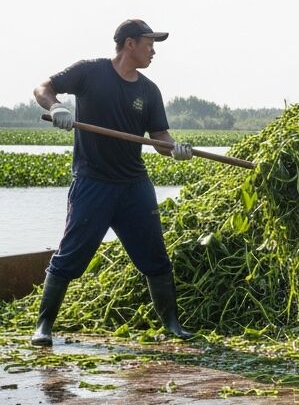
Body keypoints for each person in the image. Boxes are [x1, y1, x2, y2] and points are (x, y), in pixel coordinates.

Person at [29, 19, 196, 346]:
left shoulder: (148, 90)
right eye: (149, 44)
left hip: (134, 186)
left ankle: (172, 324)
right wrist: (58, 106)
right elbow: (43, 88)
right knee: (70, 257)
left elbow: (159, 136)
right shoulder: (90, 72)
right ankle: (43, 326)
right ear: (129, 43)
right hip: (93, 183)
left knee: (156, 257)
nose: (153, 51)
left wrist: (175, 149)